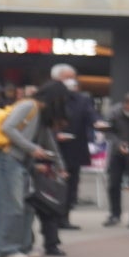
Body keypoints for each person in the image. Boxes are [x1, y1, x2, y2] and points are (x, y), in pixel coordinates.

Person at [0, 81, 72, 257]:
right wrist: (31, 148)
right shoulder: (28, 106)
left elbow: (49, 141)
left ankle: (23, 246)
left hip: (20, 161)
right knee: (12, 205)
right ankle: (5, 249)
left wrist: (60, 166)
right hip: (7, 159)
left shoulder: (39, 112)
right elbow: (7, 127)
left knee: (27, 206)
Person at [48, 63, 96, 230]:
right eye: (66, 78)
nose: (70, 81)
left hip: (75, 147)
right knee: (53, 184)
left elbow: (91, 117)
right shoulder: (48, 97)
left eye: (72, 77)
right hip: (52, 148)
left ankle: (65, 217)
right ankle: (51, 218)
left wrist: (98, 124)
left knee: (71, 184)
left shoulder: (81, 99)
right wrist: (55, 136)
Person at [99, 92, 129, 227]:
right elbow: (108, 131)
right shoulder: (114, 112)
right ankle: (114, 214)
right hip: (117, 153)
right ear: (126, 105)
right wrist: (119, 144)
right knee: (113, 184)